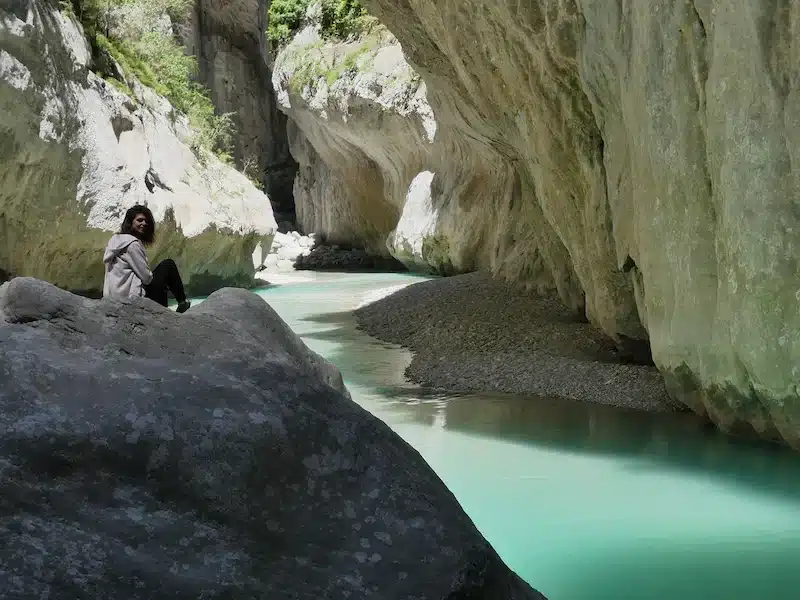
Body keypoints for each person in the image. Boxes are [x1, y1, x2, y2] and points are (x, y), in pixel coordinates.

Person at [102, 205, 191, 313]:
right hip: (132, 297)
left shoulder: (115, 241)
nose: (144, 223)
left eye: (146, 221)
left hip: (115, 297)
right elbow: (146, 278)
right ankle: (182, 303)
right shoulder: (132, 244)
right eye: (139, 220)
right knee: (168, 265)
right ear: (130, 222)